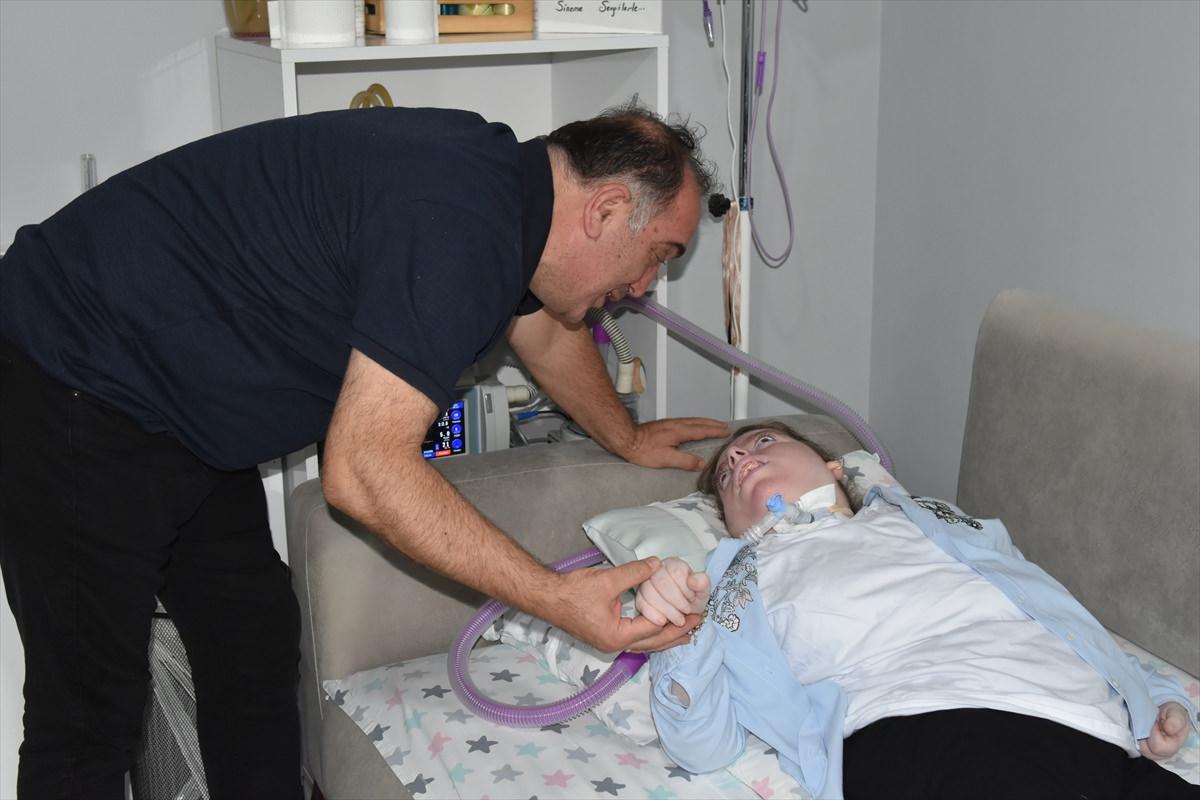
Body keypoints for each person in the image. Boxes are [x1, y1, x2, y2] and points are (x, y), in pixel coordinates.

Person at [0, 102, 724, 799]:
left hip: (182, 396)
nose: (642, 288)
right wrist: (556, 598)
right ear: (604, 211)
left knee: (250, 643)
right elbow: (363, 473)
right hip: (74, 368)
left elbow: (539, 328)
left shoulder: (507, 197)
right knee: (90, 708)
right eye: (656, 256)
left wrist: (624, 434)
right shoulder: (463, 227)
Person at [638, 421, 1198, 800]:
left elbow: (1053, 608)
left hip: (1080, 719)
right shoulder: (736, 584)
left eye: (761, 442)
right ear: (730, 525)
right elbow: (701, 744)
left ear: (832, 467)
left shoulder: (929, 518)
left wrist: (1150, 695)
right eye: (725, 476)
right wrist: (680, 627)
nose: (739, 459)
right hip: (920, 725)